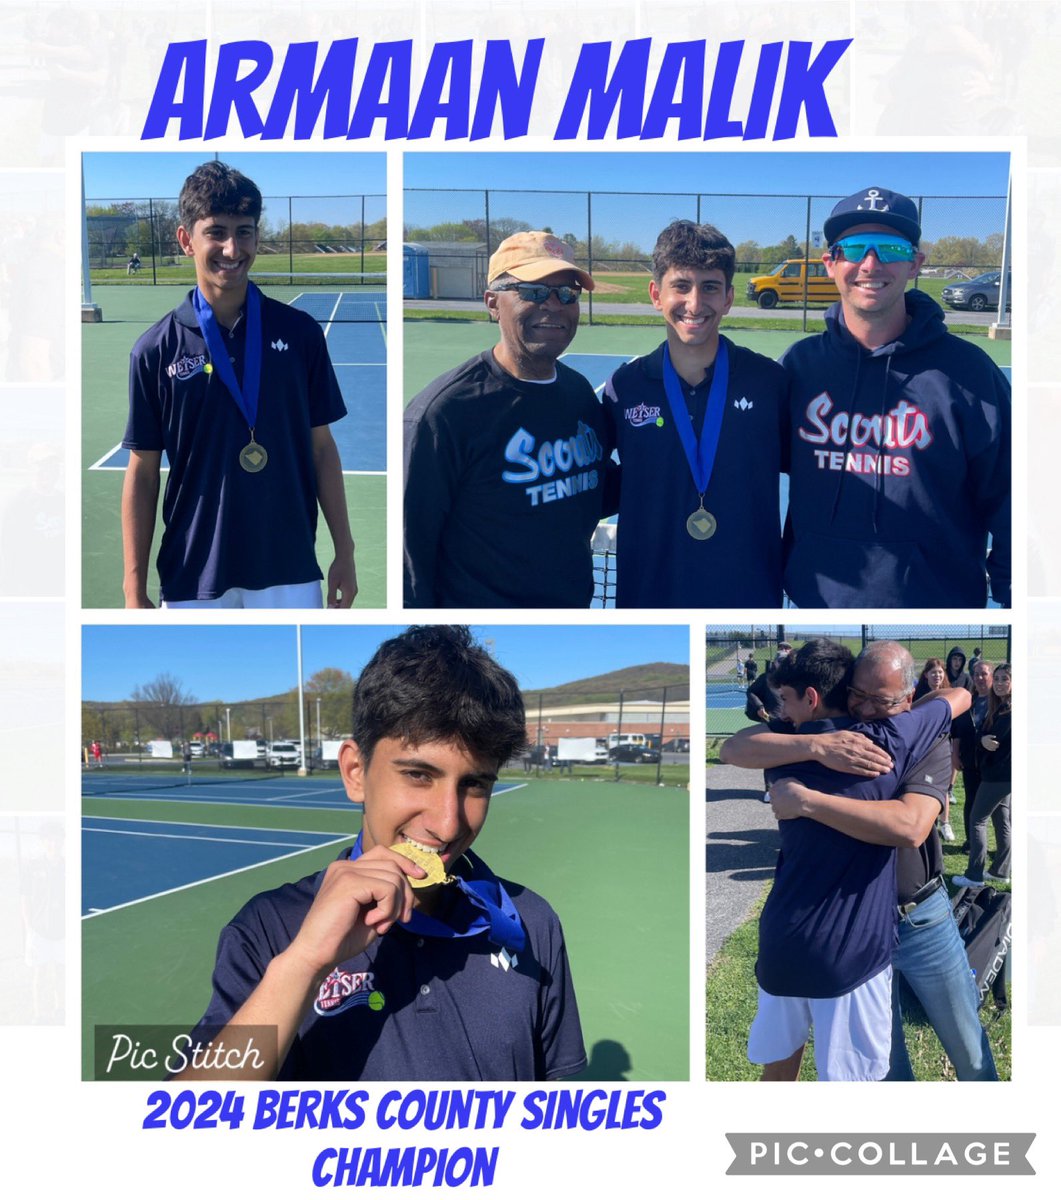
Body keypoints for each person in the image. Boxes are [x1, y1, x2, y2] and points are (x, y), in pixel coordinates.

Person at [176, 626, 585, 1082]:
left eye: (475, 784)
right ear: (355, 771)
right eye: (418, 775)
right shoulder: (269, 929)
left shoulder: (529, 923)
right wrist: (305, 963)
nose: (448, 824)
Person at [724, 642, 995, 1081]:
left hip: (919, 914)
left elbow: (911, 825)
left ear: (909, 699)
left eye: (882, 700)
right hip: (859, 926)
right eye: (858, 694)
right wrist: (817, 744)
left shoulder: (919, 736)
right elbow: (734, 748)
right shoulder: (806, 739)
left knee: (966, 1042)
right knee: (883, 1065)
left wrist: (808, 801)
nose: (867, 709)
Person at [121, 161, 357, 609]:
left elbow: (322, 450)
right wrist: (133, 588)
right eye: (217, 232)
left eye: (244, 232)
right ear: (186, 239)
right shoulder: (153, 351)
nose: (232, 248)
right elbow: (142, 471)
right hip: (193, 572)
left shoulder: (302, 334)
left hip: (288, 565)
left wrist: (344, 550)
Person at [782, 186, 1011, 608]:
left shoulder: (970, 375)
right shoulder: (800, 366)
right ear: (831, 263)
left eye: (890, 248)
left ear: (914, 264)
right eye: (853, 248)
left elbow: (1014, 496)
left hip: (936, 603)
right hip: (817, 600)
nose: (871, 264)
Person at [403, 232, 613, 607]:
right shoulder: (442, 415)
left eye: (567, 293)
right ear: (492, 303)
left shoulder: (578, 393)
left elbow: (589, 489)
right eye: (532, 291)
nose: (554, 305)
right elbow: (411, 561)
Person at [602, 221, 787, 606]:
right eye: (681, 286)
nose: (695, 303)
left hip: (746, 594)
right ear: (656, 294)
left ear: (729, 298)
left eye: (710, 287)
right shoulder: (625, 388)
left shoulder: (770, 383)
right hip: (650, 598)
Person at [954, 663, 1012, 886]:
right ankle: (1000, 870)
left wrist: (979, 740)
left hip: (998, 775)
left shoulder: (1009, 711)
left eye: (1004, 679)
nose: (998, 683)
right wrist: (981, 739)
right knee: (1001, 821)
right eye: (996, 679)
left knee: (977, 819)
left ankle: (974, 875)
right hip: (1002, 775)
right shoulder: (1001, 706)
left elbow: (991, 740)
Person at [951, 659, 994, 853]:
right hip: (970, 761)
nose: (980, 678)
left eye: (984, 674)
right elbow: (957, 730)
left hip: (993, 763)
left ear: (991, 676)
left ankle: (1002, 850)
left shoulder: (1000, 701)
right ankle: (971, 842)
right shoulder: (968, 701)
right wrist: (955, 755)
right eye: (976, 674)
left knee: (999, 810)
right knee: (971, 801)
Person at [913, 657, 957, 841]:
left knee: (944, 787)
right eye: (933, 672)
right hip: (924, 747)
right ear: (926, 675)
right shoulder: (918, 696)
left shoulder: (950, 694)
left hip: (944, 746)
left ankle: (945, 823)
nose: (937, 675)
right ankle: (929, 823)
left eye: (940, 672)